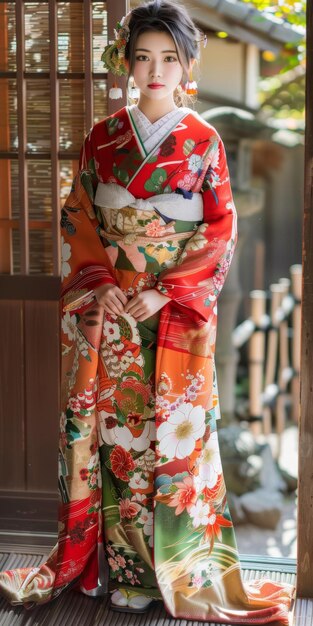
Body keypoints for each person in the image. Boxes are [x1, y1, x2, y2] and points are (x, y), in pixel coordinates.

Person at [0, 0, 295, 622]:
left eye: (168, 58)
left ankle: (178, 573)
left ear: (187, 64)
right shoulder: (103, 139)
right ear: (126, 63)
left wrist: (167, 289)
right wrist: (101, 280)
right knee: (116, 436)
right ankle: (120, 567)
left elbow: (218, 229)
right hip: (110, 309)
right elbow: (79, 214)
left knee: (175, 442)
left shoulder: (203, 141)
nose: (155, 70)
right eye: (142, 57)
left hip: (173, 311)